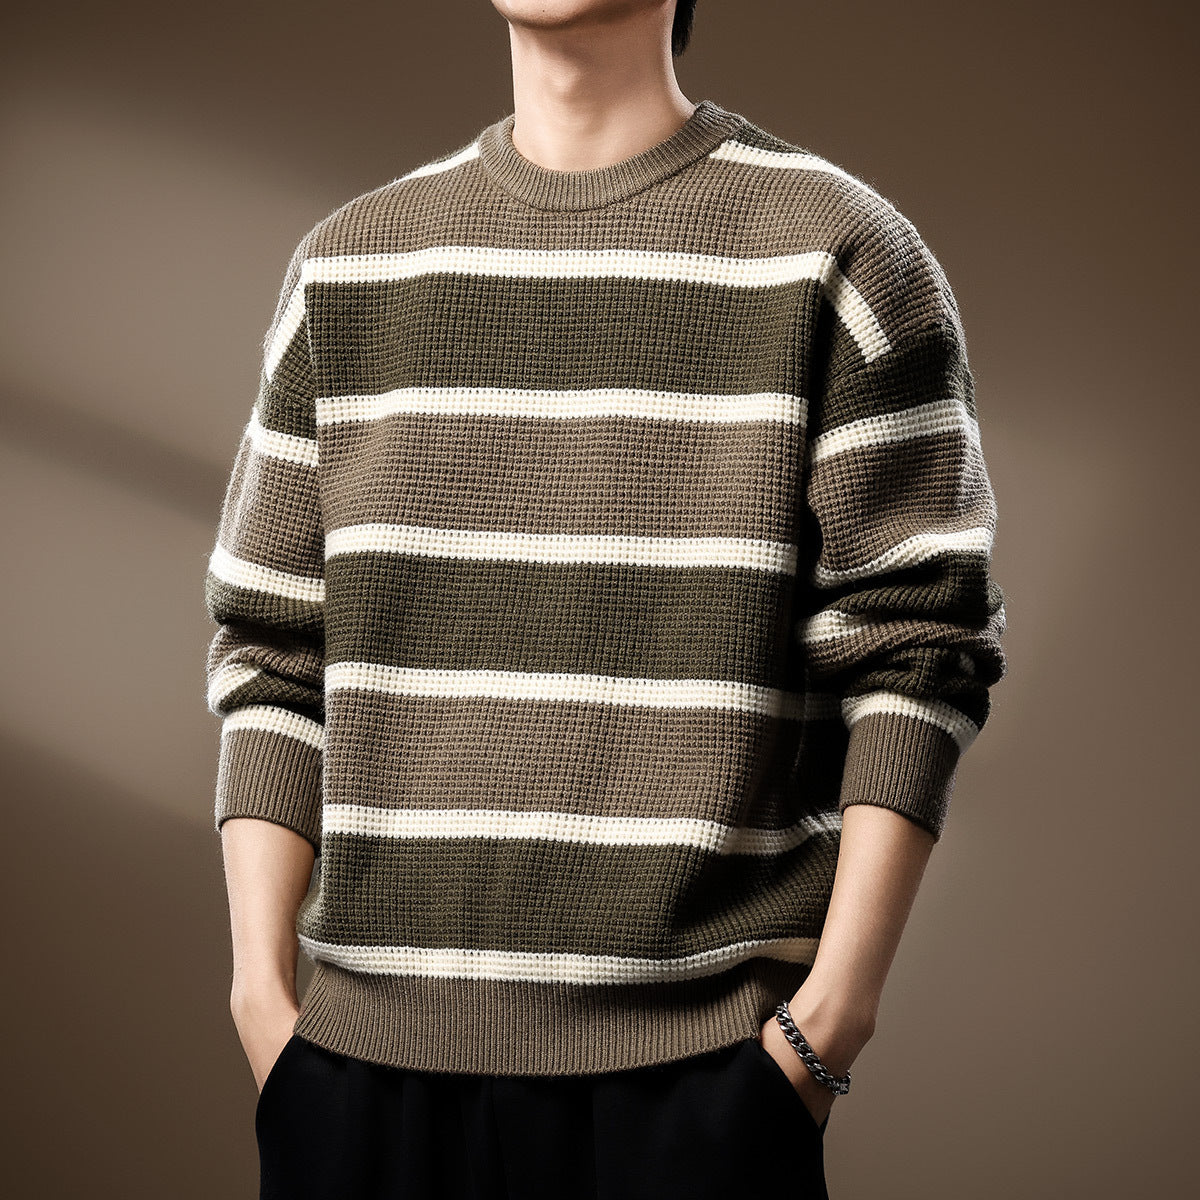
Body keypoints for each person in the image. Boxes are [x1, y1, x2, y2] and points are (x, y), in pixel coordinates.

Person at [203, 1, 1008, 1196]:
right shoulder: (349, 265)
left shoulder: (837, 250)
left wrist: (828, 1025)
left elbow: (919, 646)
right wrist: (264, 1005)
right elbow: (275, 650)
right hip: (360, 1086)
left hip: (696, 1088)